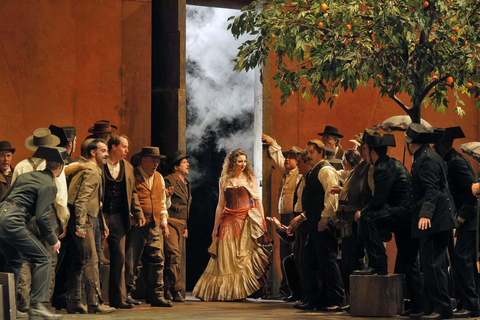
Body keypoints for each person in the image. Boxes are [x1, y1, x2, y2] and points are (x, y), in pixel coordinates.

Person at [353, 129, 424, 316]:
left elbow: (377, 201)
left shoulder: (382, 168)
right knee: (409, 262)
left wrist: (361, 212)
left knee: (368, 219)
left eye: (364, 149)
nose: (363, 153)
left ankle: (378, 264)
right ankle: (417, 305)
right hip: (406, 215)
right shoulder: (390, 164)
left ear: (371, 151)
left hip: (404, 214)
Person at [192, 148, 271, 301]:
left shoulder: (249, 178)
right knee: (226, 258)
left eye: (244, 161)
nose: (243, 164)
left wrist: (262, 221)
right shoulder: (224, 180)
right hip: (228, 220)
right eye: (239, 161)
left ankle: (240, 292)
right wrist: (216, 227)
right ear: (233, 162)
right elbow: (220, 205)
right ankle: (226, 292)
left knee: (242, 257)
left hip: (245, 220)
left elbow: (257, 201)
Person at [0, 146, 66, 320]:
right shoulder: (49, 184)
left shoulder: (25, 175)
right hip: (13, 222)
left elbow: (4, 198)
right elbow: (43, 217)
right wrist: (53, 240)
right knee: (44, 257)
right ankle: (37, 306)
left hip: (1, 217)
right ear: (60, 167)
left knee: (14, 260)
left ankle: (9, 308)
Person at [13, 128, 70, 313]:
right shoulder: (54, 166)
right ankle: (43, 304)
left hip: (25, 216)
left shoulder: (21, 165)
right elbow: (60, 196)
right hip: (48, 215)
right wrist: (63, 219)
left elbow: (15, 190)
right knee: (48, 258)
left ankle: (25, 302)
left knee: (24, 258)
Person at [405, 123, 456, 320]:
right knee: (432, 264)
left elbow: (432, 189)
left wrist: (425, 213)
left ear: (413, 144)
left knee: (433, 265)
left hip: (434, 221)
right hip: (435, 220)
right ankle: (434, 306)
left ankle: (442, 308)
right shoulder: (425, 156)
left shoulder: (426, 160)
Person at [287, 140, 345, 310]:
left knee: (327, 260)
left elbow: (331, 196)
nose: (308, 155)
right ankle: (316, 300)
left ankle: (336, 300)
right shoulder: (314, 171)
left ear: (321, 152)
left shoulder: (325, 170)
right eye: (308, 152)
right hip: (314, 223)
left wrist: (325, 219)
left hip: (323, 224)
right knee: (310, 260)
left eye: (311, 152)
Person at [433, 126, 479, 318]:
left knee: (463, 261)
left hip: (468, 220)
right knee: (461, 261)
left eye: (436, 143)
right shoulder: (451, 161)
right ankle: (465, 302)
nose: (434, 146)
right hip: (465, 219)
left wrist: (460, 219)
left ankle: (471, 305)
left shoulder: (456, 163)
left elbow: (472, 193)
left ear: (443, 144)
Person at [66, 139, 115, 314]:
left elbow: (96, 201)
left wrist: (101, 223)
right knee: (91, 260)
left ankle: (74, 301)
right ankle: (94, 303)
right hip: (83, 220)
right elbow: (81, 200)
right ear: (93, 152)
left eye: (107, 150)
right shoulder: (91, 171)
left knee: (79, 260)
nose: (107, 154)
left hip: (89, 219)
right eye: (103, 151)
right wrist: (80, 225)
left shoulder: (89, 169)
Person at [125, 147, 174, 308]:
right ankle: (127, 293)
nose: (156, 164)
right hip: (137, 226)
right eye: (153, 160)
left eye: (158, 161)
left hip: (154, 225)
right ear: (143, 160)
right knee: (132, 261)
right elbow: (127, 199)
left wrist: (164, 222)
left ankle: (156, 295)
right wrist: (132, 217)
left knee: (157, 260)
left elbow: (161, 203)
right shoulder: (133, 175)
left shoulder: (159, 177)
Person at [103, 134, 145, 309]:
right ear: (113, 147)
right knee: (95, 257)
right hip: (102, 214)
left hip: (119, 217)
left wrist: (138, 212)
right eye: (124, 147)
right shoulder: (100, 164)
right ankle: (93, 299)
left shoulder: (127, 167)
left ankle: (117, 298)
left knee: (119, 258)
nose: (127, 151)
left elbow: (133, 192)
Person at [261, 133, 302, 298]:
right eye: (287, 157)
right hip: (285, 216)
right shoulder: (287, 173)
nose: (287, 159)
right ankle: (288, 288)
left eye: (291, 157)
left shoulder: (299, 175)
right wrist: (273, 143)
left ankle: (296, 289)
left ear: (298, 161)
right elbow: (279, 159)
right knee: (285, 253)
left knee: (293, 252)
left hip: (294, 215)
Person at [329, 145, 369, 298]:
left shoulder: (358, 174)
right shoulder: (352, 174)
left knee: (354, 261)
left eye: (344, 159)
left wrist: (342, 191)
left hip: (353, 222)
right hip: (347, 223)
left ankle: (358, 298)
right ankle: (352, 297)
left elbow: (356, 194)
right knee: (346, 261)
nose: (343, 162)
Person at [163, 151, 192, 302]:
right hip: (170, 221)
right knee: (173, 254)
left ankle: (167, 289)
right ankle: (177, 287)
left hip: (181, 224)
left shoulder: (187, 183)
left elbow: (186, 205)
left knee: (176, 257)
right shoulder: (168, 180)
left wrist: (185, 225)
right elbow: (164, 200)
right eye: (184, 162)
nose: (188, 164)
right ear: (176, 167)